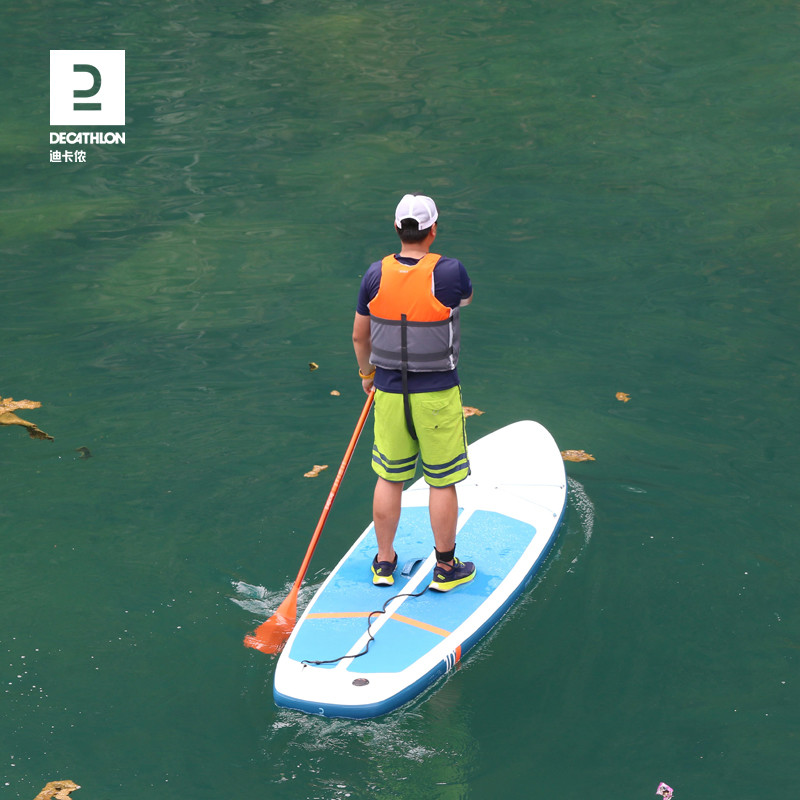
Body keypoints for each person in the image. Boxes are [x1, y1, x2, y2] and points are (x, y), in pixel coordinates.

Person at [352, 193, 476, 592]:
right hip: (436, 393)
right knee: (441, 481)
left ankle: (384, 563)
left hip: (388, 391)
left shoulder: (374, 274)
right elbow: (465, 300)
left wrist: (367, 375)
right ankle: (445, 567)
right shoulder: (450, 271)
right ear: (433, 230)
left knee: (389, 478)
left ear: (396, 229)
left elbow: (359, 335)